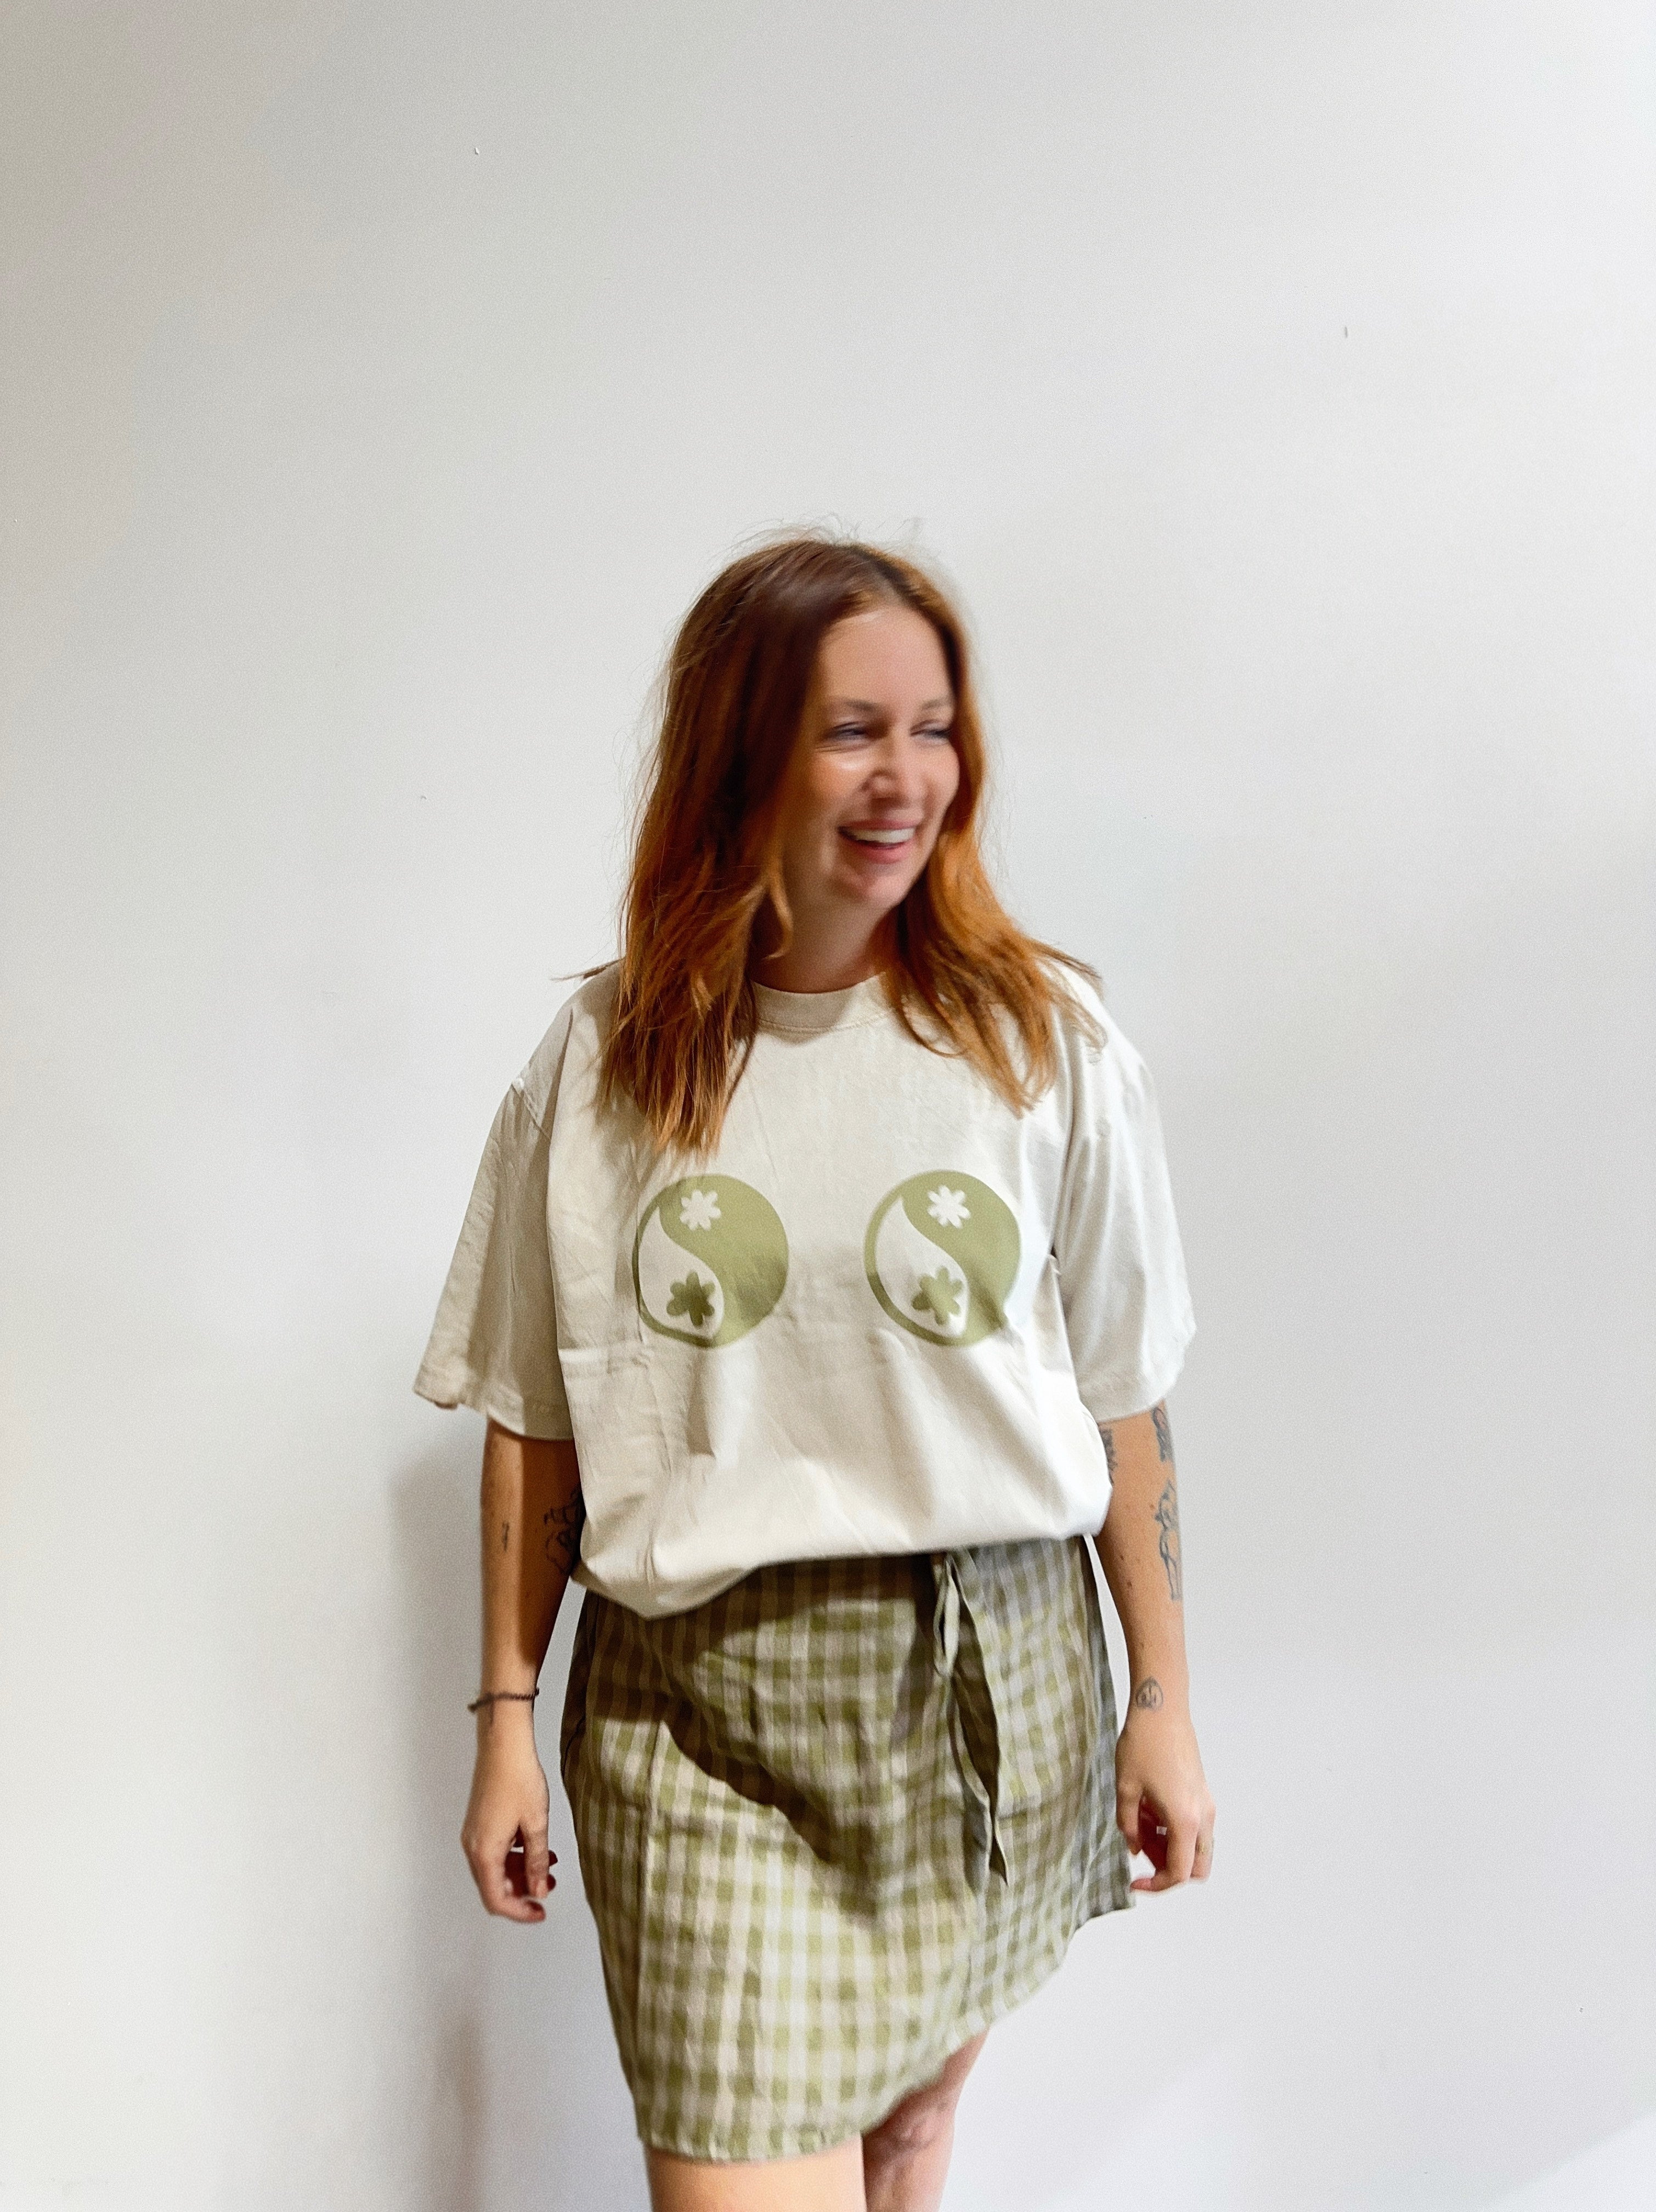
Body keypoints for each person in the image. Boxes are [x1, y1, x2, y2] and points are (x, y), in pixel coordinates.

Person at [413, 534, 1216, 2212]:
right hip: (703, 1720)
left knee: (909, 2143)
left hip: (993, 1686)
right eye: (853, 731)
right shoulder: (606, 1062)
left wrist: (1161, 1701)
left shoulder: (1041, 1042)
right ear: (742, 751)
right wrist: (503, 1718)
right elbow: (534, 1420)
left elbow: (1121, 1401)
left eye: (934, 729)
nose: (906, 779)